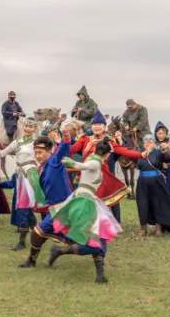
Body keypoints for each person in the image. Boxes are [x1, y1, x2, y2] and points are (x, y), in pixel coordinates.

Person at [47, 138, 123, 282]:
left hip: (90, 200)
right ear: (107, 154)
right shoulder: (94, 162)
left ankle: (100, 275)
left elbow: (85, 165)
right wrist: (72, 163)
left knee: (98, 238)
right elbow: (84, 166)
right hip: (85, 202)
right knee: (97, 242)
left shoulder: (94, 160)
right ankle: (59, 251)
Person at [17, 127, 74, 268]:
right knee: (41, 235)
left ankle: (33, 260)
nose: (37, 156)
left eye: (41, 153)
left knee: (38, 232)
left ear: (49, 152)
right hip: (53, 208)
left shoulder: (55, 160)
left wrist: (66, 138)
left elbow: (64, 150)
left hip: (63, 207)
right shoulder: (41, 167)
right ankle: (32, 259)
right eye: (36, 153)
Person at [70, 111, 130, 223]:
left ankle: (113, 223)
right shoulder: (87, 140)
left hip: (107, 176)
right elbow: (75, 148)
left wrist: (120, 140)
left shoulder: (111, 143)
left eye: (100, 124)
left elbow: (120, 152)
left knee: (111, 199)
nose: (97, 127)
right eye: (95, 124)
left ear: (104, 127)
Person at [113, 132, 170, 236]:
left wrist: (167, 149)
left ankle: (158, 229)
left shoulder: (159, 152)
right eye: (146, 140)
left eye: (151, 140)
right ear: (143, 143)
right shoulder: (139, 153)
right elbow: (127, 151)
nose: (148, 142)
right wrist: (119, 139)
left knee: (157, 203)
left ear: (154, 143)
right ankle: (143, 229)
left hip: (157, 181)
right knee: (142, 204)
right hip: (142, 181)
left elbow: (168, 159)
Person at [0, 116, 42, 249]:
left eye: (31, 126)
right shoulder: (17, 142)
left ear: (34, 128)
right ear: (23, 126)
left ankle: (23, 242)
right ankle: (39, 236)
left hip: (31, 176)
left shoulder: (36, 142)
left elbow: (42, 158)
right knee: (26, 209)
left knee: (23, 208)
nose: (28, 128)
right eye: (26, 126)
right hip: (19, 176)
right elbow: (1, 153)